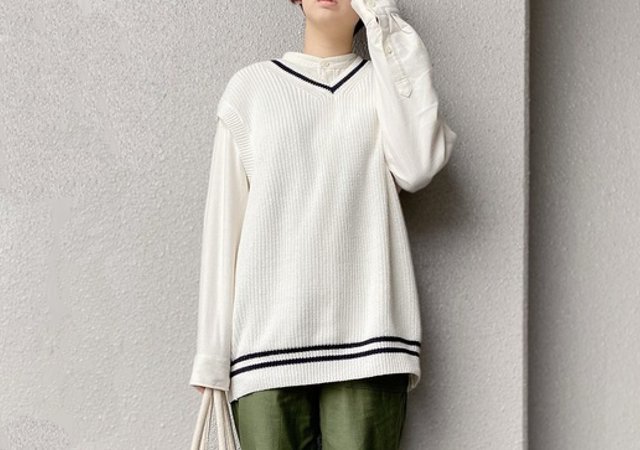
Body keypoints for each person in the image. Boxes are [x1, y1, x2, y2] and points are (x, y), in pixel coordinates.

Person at [189, 0, 458, 448]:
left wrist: (384, 23)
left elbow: (418, 166)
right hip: (265, 350)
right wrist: (212, 354)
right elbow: (223, 226)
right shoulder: (251, 89)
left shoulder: (385, 87)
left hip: (370, 345)